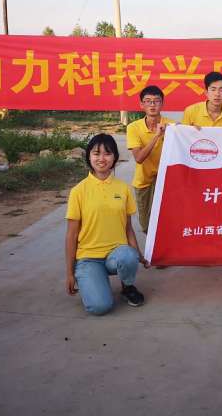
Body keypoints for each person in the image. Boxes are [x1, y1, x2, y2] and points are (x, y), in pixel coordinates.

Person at [65, 133, 148, 315]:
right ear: (89, 156)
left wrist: (139, 256)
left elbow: (127, 228)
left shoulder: (123, 188)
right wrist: (70, 273)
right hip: (88, 258)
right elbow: (71, 235)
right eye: (96, 153)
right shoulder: (78, 191)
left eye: (107, 153)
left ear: (115, 157)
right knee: (100, 307)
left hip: (116, 254)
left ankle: (127, 287)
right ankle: (93, 278)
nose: (101, 159)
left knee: (129, 256)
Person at [127, 85, 174, 235]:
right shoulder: (133, 127)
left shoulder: (172, 125)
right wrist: (157, 136)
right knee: (146, 225)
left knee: (166, 222)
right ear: (141, 104)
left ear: (162, 103)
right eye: (148, 101)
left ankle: (164, 247)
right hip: (144, 181)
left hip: (166, 181)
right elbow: (139, 158)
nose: (152, 105)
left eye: (156, 101)